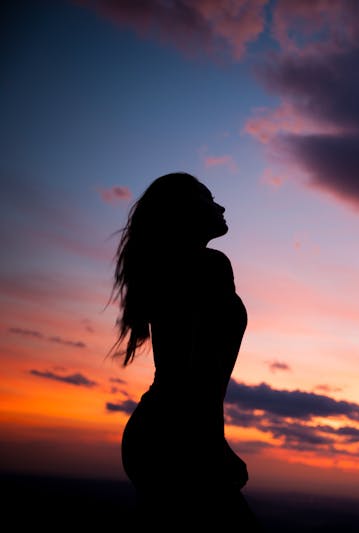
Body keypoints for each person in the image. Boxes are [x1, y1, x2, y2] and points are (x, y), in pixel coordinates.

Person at [110, 172, 261, 530]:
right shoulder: (207, 265)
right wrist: (212, 447)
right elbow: (194, 375)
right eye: (208, 198)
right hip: (177, 437)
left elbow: (189, 373)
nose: (220, 206)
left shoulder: (172, 270)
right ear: (185, 211)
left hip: (159, 434)